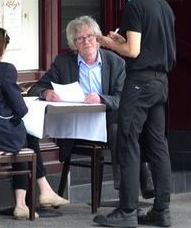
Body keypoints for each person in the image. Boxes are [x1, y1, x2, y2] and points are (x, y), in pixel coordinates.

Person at [27, 16, 154, 196]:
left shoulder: (115, 62)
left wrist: (102, 99)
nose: (86, 41)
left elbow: (123, 98)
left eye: (90, 36)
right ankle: (142, 176)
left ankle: (124, 186)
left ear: (98, 38)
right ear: (74, 44)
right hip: (77, 126)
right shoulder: (63, 63)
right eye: (80, 38)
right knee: (125, 129)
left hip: (107, 123)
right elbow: (35, 88)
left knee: (121, 128)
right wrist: (46, 93)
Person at [0, 27, 69, 220]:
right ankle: (37, 193)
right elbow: (21, 109)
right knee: (26, 134)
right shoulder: (6, 70)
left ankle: (26, 202)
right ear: (3, 48)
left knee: (21, 133)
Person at [95, 0, 174, 228]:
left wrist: (108, 43)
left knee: (129, 141)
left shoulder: (136, 5)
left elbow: (134, 51)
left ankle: (127, 210)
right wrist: (122, 43)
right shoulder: (164, 6)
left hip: (139, 82)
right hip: (161, 82)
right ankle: (162, 210)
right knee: (158, 145)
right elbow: (143, 44)